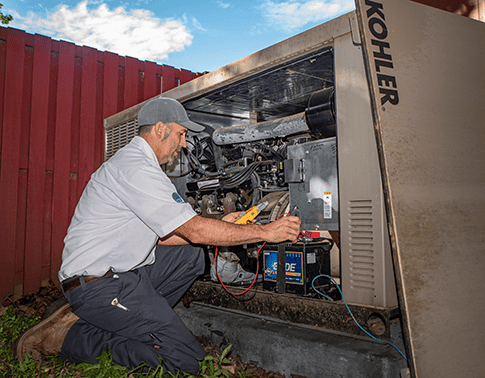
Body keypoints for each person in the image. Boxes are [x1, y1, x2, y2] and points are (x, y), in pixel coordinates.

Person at [16, 98, 301, 375]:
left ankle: (137, 322)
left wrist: (224, 223)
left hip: (124, 276)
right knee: (187, 363)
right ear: (160, 128)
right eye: (181, 134)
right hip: (100, 285)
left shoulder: (142, 166)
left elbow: (170, 235)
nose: (184, 143)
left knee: (190, 254)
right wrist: (265, 231)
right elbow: (195, 229)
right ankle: (72, 339)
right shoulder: (135, 168)